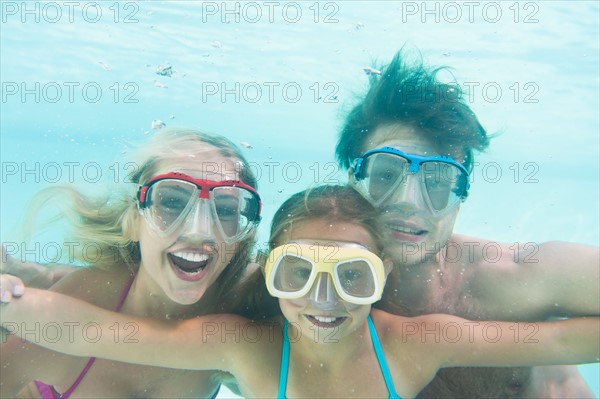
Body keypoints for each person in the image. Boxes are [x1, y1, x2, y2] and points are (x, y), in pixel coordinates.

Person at [1, 185, 598, 399]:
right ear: (270, 274)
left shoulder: (417, 345)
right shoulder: (246, 349)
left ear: (383, 276)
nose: (324, 299)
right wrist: (8, 298)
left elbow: (566, 338)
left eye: (353, 276)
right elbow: (98, 330)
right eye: (297, 274)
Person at [335, 50, 600, 397]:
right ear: (351, 181)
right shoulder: (309, 291)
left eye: (437, 181)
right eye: (385, 174)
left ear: (461, 196)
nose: (409, 202)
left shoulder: (516, 277)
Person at [0, 127, 263, 398]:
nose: (200, 231)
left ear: (243, 237)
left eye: (225, 210)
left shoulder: (249, 301)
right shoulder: (61, 313)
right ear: (134, 220)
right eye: (173, 201)